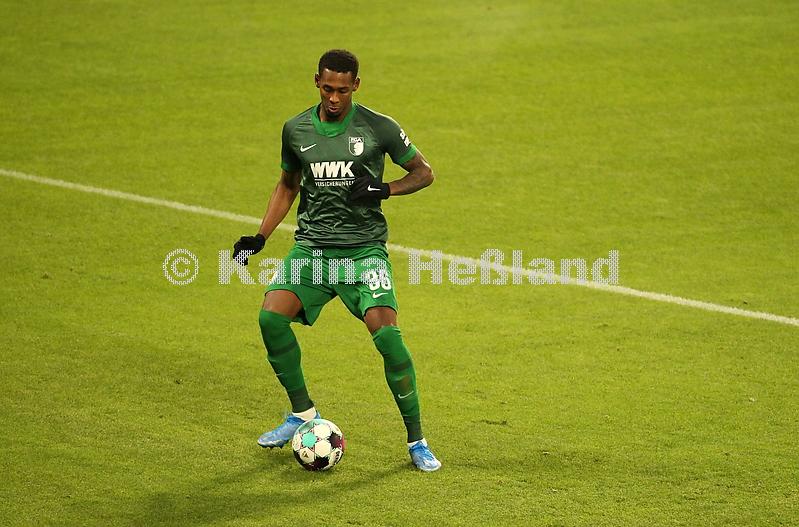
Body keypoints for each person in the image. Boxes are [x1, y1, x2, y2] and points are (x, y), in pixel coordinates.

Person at [232, 49, 441, 471]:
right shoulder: (296, 129)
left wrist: (384, 189)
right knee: (271, 318)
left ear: (355, 86)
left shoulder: (378, 127)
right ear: (316, 81)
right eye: (327, 88)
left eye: (342, 90)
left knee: (389, 339)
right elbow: (288, 185)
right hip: (312, 250)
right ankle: (302, 414)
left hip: (363, 252)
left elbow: (424, 173)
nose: (333, 97)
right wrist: (260, 236)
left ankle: (417, 440)